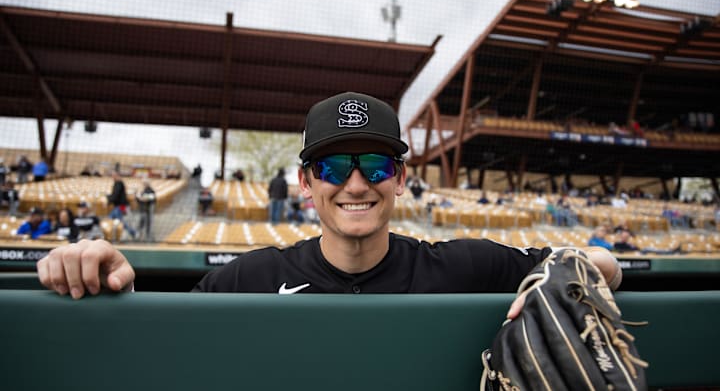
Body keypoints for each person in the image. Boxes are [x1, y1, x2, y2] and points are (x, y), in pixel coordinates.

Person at [36, 92, 621, 315]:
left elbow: (600, 264)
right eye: (335, 167)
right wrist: (110, 284)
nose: (357, 184)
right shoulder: (251, 279)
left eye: (378, 164)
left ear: (401, 178)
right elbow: (166, 347)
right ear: (306, 182)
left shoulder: (467, 266)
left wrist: (592, 269)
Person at [107, 171, 136, 239]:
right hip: (118, 206)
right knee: (111, 218)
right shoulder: (117, 183)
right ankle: (114, 235)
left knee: (121, 220)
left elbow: (115, 195)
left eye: (114, 176)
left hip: (121, 206)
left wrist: (109, 200)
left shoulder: (119, 183)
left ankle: (133, 232)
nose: (112, 177)